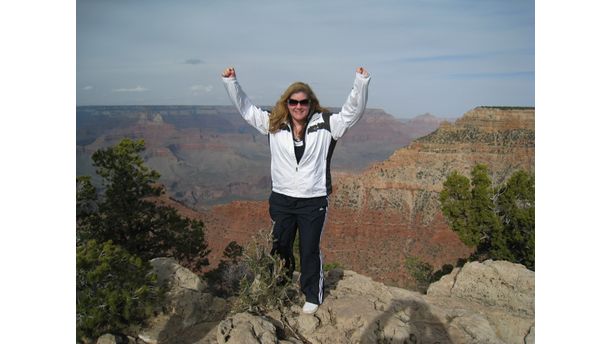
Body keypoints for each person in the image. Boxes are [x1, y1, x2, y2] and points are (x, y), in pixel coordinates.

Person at [221, 66, 371, 314]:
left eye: (303, 102)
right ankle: (278, 288)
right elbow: (246, 110)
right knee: (280, 247)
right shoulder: (274, 124)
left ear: (311, 103)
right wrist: (231, 82)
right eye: (293, 102)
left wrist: (361, 82)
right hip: (282, 199)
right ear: (286, 103)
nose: (298, 106)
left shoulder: (327, 124)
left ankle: (312, 294)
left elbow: (352, 113)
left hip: (313, 201)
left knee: (309, 248)